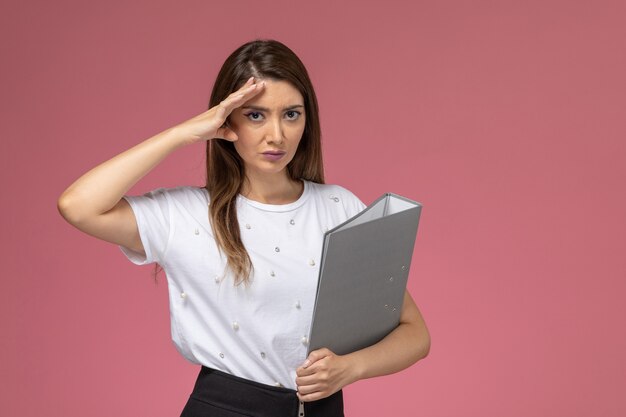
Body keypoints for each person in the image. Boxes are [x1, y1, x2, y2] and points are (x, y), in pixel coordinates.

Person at [57, 39, 430, 417]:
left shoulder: (339, 207)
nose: (277, 135)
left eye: (291, 114)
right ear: (226, 119)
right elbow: (78, 206)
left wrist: (350, 368)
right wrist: (181, 133)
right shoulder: (187, 215)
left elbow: (414, 332)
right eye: (255, 115)